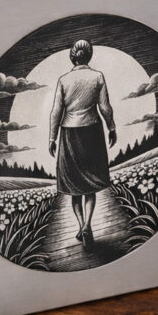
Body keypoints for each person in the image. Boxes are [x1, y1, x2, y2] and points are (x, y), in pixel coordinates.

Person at [48, 39, 117, 247]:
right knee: (89, 187)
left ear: (72, 56)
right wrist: (112, 127)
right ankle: (87, 224)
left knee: (74, 186)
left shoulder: (63, 80)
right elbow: (105, 108)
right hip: (92, 133)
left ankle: (81, 226)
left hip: (69, 134)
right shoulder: (97, 76)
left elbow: (55, 113)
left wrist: (52, 138)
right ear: (90, 55)